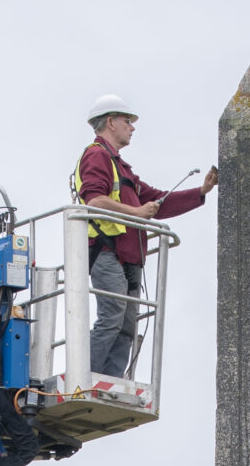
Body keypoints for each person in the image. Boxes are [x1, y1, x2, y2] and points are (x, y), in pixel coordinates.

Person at [73, 96, 218, 376]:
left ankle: (109, 382)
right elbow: (94, 201)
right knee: (113, 314)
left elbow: (156, 200)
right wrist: (137, 212)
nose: (133, 127)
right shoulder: (96, 155)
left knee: (127, 326)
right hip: (105, 250)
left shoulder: (121, 167)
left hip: (128, 256)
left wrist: (200, 192)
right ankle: (84, 377)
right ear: (111, 122)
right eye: (128, 121)